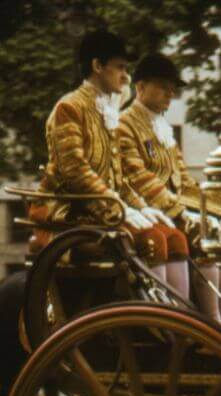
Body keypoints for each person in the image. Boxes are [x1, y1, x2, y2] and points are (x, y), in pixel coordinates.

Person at [29, 30, 183, 263]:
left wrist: (140, 207)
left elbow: (116, 177)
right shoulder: (69, 108)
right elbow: (76, 173)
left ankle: (173, 302)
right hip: (67, 210)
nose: (125, 77)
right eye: (120, 67)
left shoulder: (106, 111)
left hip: (100, 209)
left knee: (174, 239)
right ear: (97, 66)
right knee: (152, 240)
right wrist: (118, 209)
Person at [118, 52, 221, 322]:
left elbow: (184, 179)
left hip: (172, 210)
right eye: (163, 87)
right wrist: (181, 212)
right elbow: (139, 178)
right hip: (146, 210)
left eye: (172, 89)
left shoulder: (163, 127)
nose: (170, 94)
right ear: (140, 87)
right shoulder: (124, 124)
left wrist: (211, 208)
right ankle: (194, 324)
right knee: (198, 237)